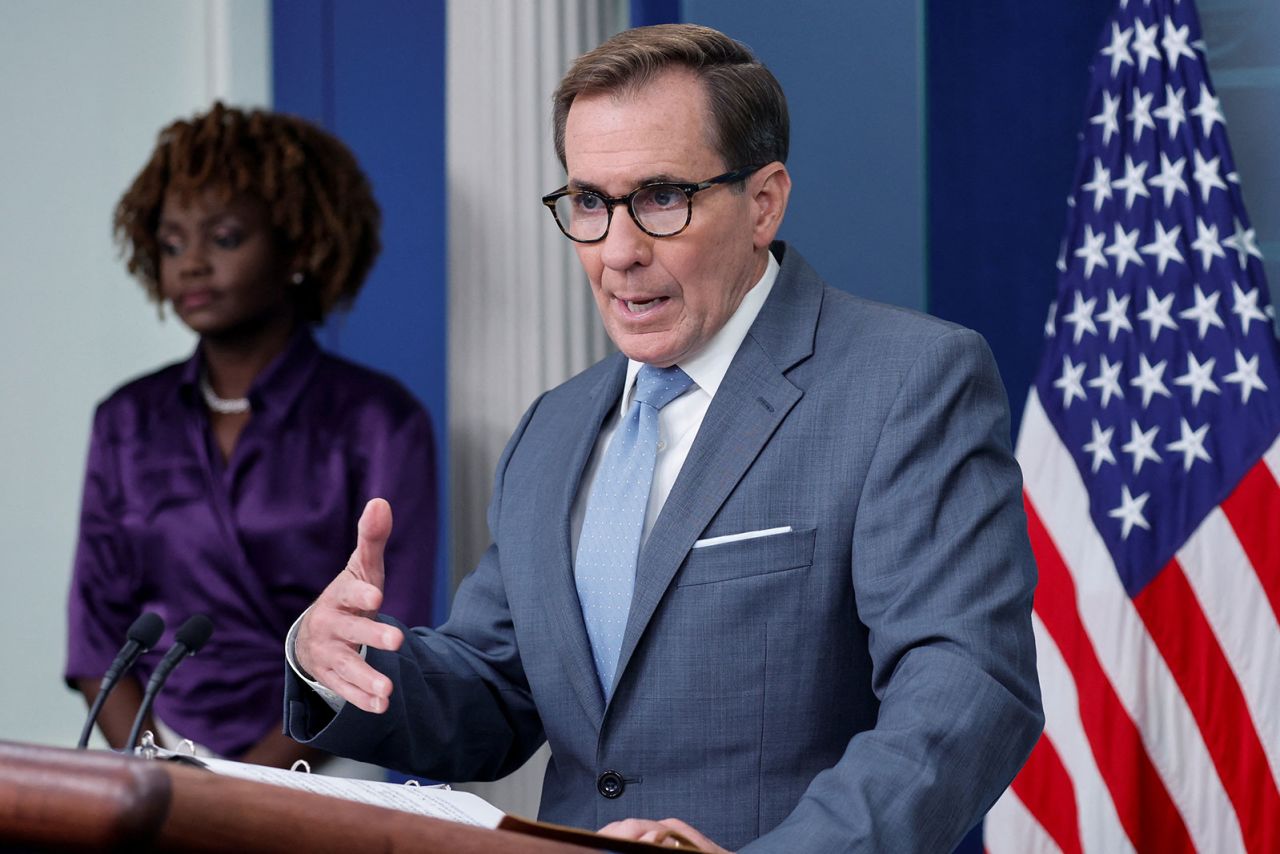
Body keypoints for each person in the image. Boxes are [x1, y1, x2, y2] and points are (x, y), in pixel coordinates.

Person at [286, 24, 1042, 851]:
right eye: (588, 203)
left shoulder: (910, 380)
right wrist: (333, 663)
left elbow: (966, 690)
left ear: (764, 202)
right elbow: (495, 695)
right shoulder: (553, 427)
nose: (618, 252)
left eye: (660, 198)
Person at [65, 103, 437, 769]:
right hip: (153, 769)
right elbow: (98, 640)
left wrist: (247, 790)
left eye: (225, 238)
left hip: (320, 764)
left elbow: (380, 637)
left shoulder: (379, 420)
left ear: (298, 245)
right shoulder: (126, 420)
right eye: (173, 244)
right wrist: (158, 772)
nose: (193, 265)